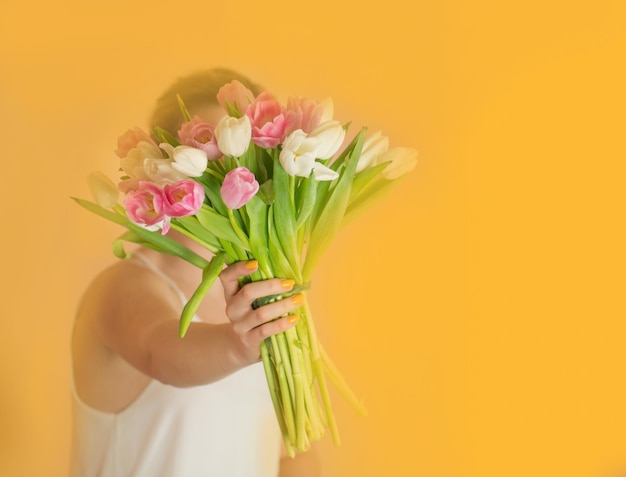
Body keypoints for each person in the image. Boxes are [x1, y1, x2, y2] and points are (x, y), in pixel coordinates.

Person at [70, 68, 322, 477]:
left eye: (249, 154)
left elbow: (292, 454)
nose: (231, 171)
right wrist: (237, 347)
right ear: (161, 168)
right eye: (209, 153)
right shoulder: (124, 287)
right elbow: (161, 352)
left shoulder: (267, 302)